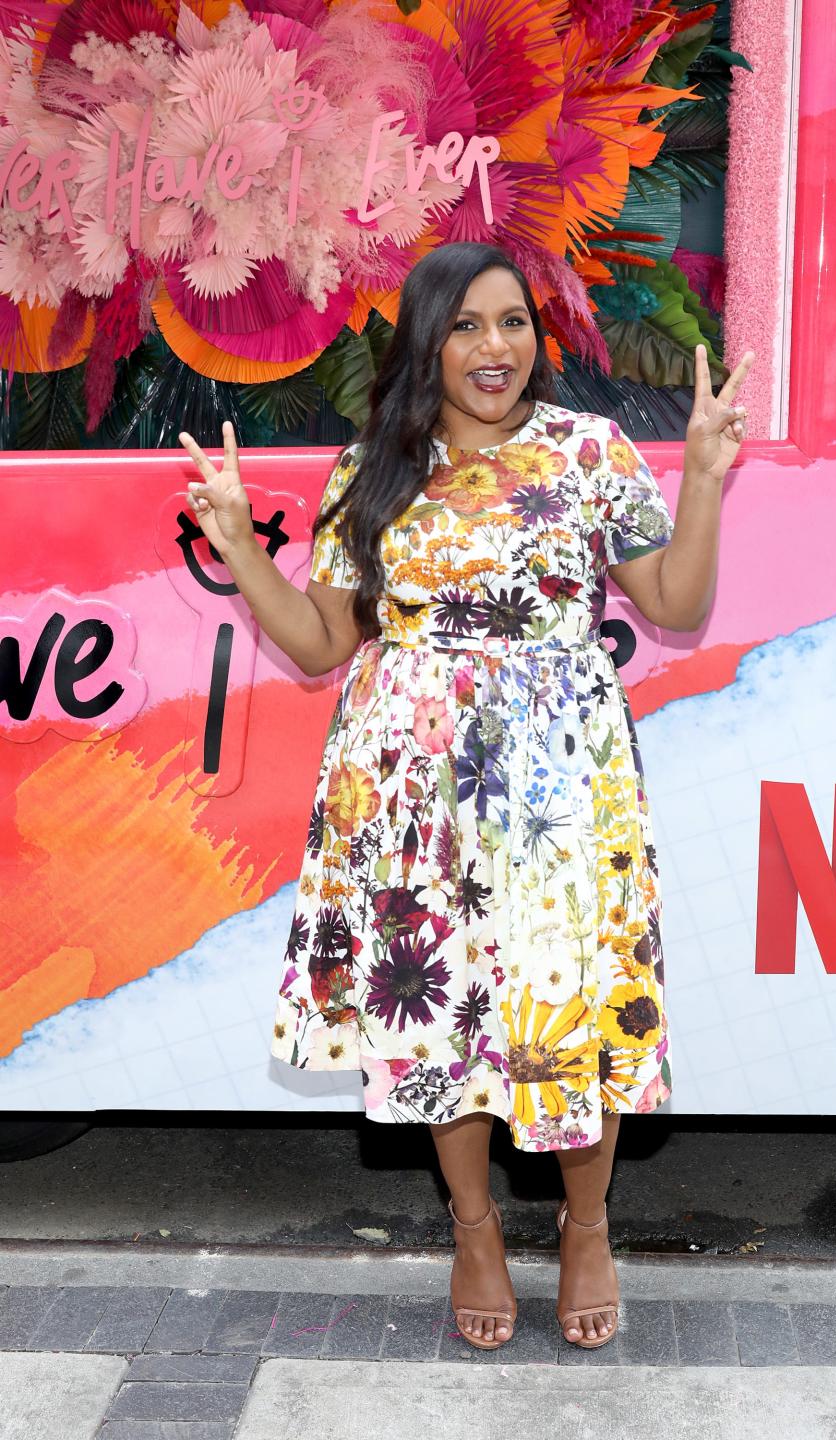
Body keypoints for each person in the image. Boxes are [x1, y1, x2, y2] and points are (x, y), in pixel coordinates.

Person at [179, 241, 754, 1354]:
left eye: (514, 324)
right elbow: (321, 641)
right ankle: (477, 1230)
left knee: (567, 1005)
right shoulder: (376, 465)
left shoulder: (588, 451)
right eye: (468, 327)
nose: (496, 350)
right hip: (410, 787)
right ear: (427, 343)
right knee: (445, 1013)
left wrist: (702, 477)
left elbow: (678, 602)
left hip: (556, 788)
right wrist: (243, 547)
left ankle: (587, 1225)